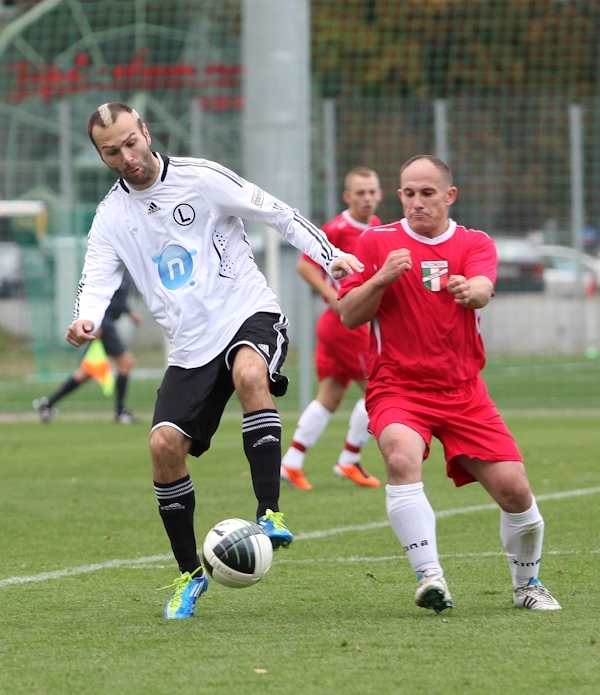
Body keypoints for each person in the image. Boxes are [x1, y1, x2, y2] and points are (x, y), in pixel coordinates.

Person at [66, 102, 363, 620]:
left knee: (251, 372)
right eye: (112, 151)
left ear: (145, 131)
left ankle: (269, 513)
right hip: (188, 347)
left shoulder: (201, 178)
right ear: (102, 155)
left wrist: (327, 254)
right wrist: (84, 318)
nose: (127, 156)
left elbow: (276, 212)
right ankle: (188, 574)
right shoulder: (111, 216)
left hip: (247, 311)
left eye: (131, 142)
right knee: (163, 445)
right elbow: (97, 277)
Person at [338, 154, 561, 613]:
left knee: (516, 491)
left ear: (449, 195)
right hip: (397, 387)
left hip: (463, 392)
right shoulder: (375, 242)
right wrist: (381, 278)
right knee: (400, 456)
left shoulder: (474, 242)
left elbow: (482, 287)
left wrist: (469, 289)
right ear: (398, 194)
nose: (416, 202)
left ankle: (527, 586)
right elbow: (349, 314)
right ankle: (430, 577)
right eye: (408, 193)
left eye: (427, 193)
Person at [281, 167, 383, 490]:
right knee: (380, 389)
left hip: (346, 324)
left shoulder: (377, 227)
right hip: (345, 326)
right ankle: (349, 459)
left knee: (331, 396)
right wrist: (332, 295)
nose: (367, 198)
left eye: (372, 192)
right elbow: (304, 265)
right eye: (360, 192)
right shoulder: (336, 229)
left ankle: (291, 463)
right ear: (347, 196)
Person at [34, 272, 142, 424]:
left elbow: (119, 300)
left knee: (87, 371)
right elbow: (99, 295)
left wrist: (130, 314)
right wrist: (95, 323)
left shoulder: (126, 271)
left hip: (106, 324)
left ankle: (48, 403)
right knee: (126, 362)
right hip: (105, 324)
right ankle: (120, 412)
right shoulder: (111, 266)